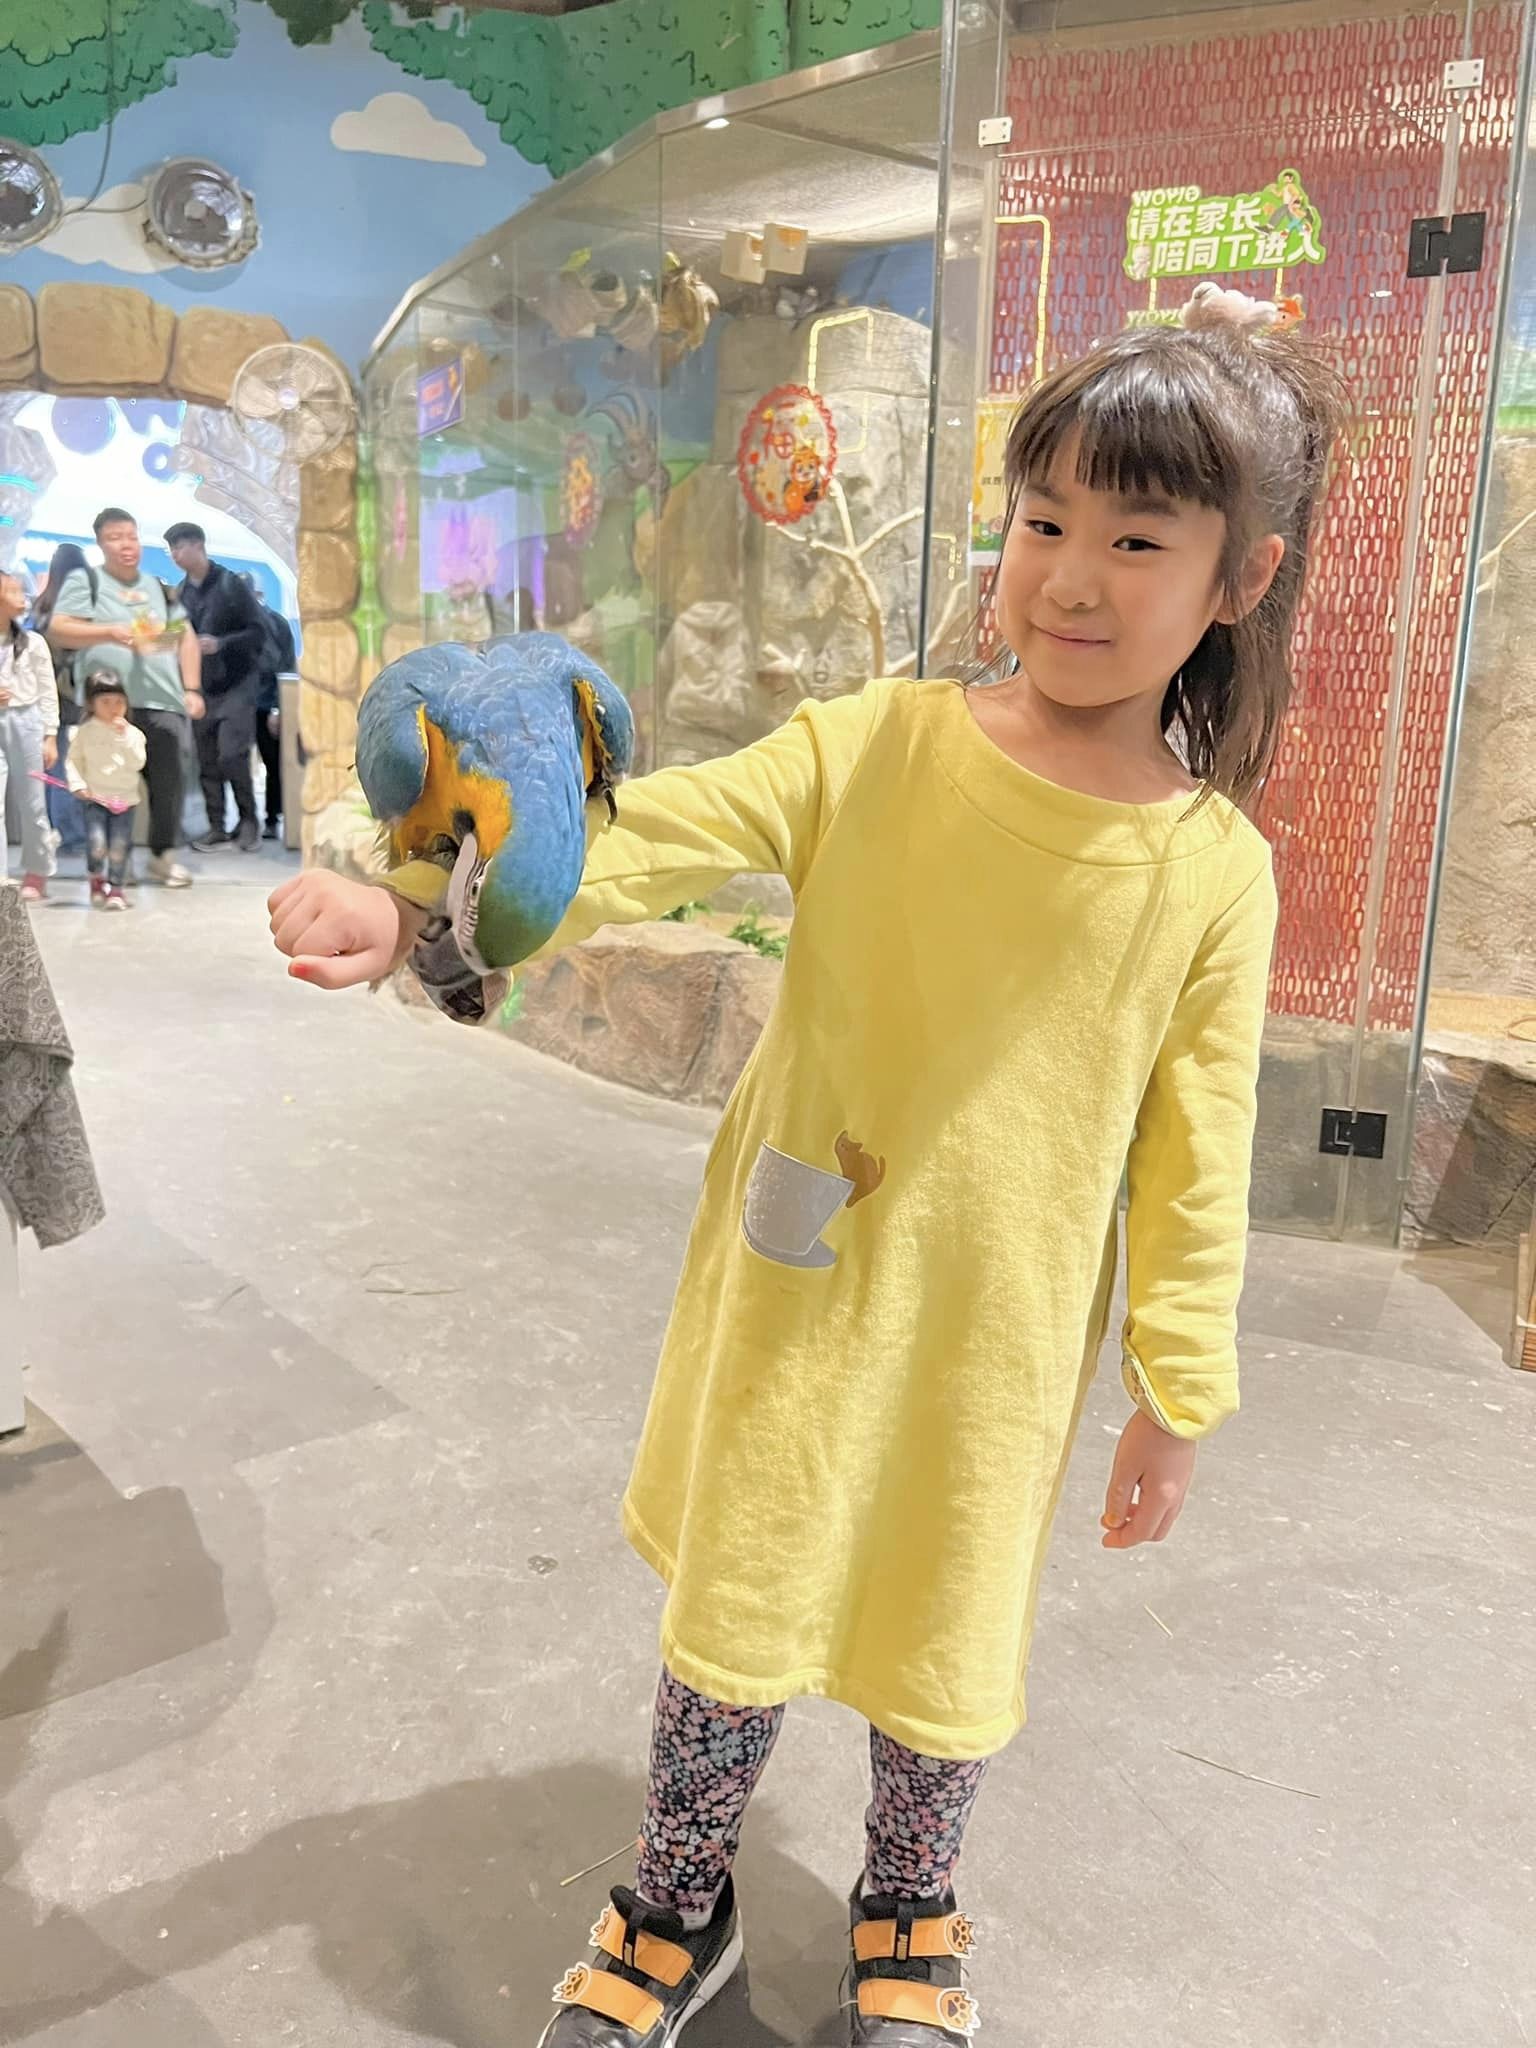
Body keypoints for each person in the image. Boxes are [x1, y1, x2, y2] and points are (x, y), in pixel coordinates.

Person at [266, 288, 1342, 2045]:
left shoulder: (1212, 866)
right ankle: (674, 1902)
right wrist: (407, 901)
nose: (1071, 577)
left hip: (998, 1328)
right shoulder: (882, 743)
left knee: (946, 1618)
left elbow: (1194, 1148)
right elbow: (652, 835)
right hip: (802, 1279)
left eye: (1137, 539)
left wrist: (1178, 1389)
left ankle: (909, 1903)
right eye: (1043, 521)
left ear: (1243, 576)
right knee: (741, 1593)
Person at [49, 508, 202, 889]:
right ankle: (117, 863)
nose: (126, 545)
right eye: (115, 537)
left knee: (169, 784)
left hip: (163, 700)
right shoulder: (87, 581)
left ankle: (163, 858)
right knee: (107, 784)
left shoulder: (158, 587)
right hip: (106, 704)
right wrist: (110, 632)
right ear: (101, 543)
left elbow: (184, 637)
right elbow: (60, 628)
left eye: (131, 536)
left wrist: (191, 688)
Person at [165, 523, 264, 853]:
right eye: (171, 549)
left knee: (232, 754)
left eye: (180, 546)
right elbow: (175, 637)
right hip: (201, 688)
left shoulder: (231, 584)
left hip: (237, 684)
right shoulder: (181, 593)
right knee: (206, 759)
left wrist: (221, 643)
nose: (175, 554)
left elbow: (258, 632)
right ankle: (216, 826)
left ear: (198, 545)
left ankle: (249, 822)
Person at [0, 569, 60, 903]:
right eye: (12, 591)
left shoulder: (33, 642)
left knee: (32, 801)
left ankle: (38, 869)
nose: (21, 597)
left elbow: (48, 691)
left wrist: (50, 735)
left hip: (27, 721)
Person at [65, 671, 146, 911]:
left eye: (119, 702)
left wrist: (124, 738)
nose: (113, 708)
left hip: (125, 800)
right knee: (96, 843)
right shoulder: (83, 732)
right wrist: (77, 784)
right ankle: (96, 879)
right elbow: (74, 760)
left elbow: (138, 762)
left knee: (119, 846)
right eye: (106, 702)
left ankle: (117, 888)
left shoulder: (134, 734)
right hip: (95, 798)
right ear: (92, 704)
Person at [30, 541, 91, 856]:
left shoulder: (41, 605)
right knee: (72, 768)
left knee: (55, 769)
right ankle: (74, 835)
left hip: (42, 697)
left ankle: (59, 831)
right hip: (73, 696)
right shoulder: (78, 605)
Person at [243, 572, 295, 841]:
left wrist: (278, 708)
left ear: (259, 594)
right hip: (238, 705)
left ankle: (272, 818)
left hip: (266, 705)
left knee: (273, 764)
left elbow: (286, 667)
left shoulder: (277, 624)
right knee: (234, 763)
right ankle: (245, 821)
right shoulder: (232, 626)